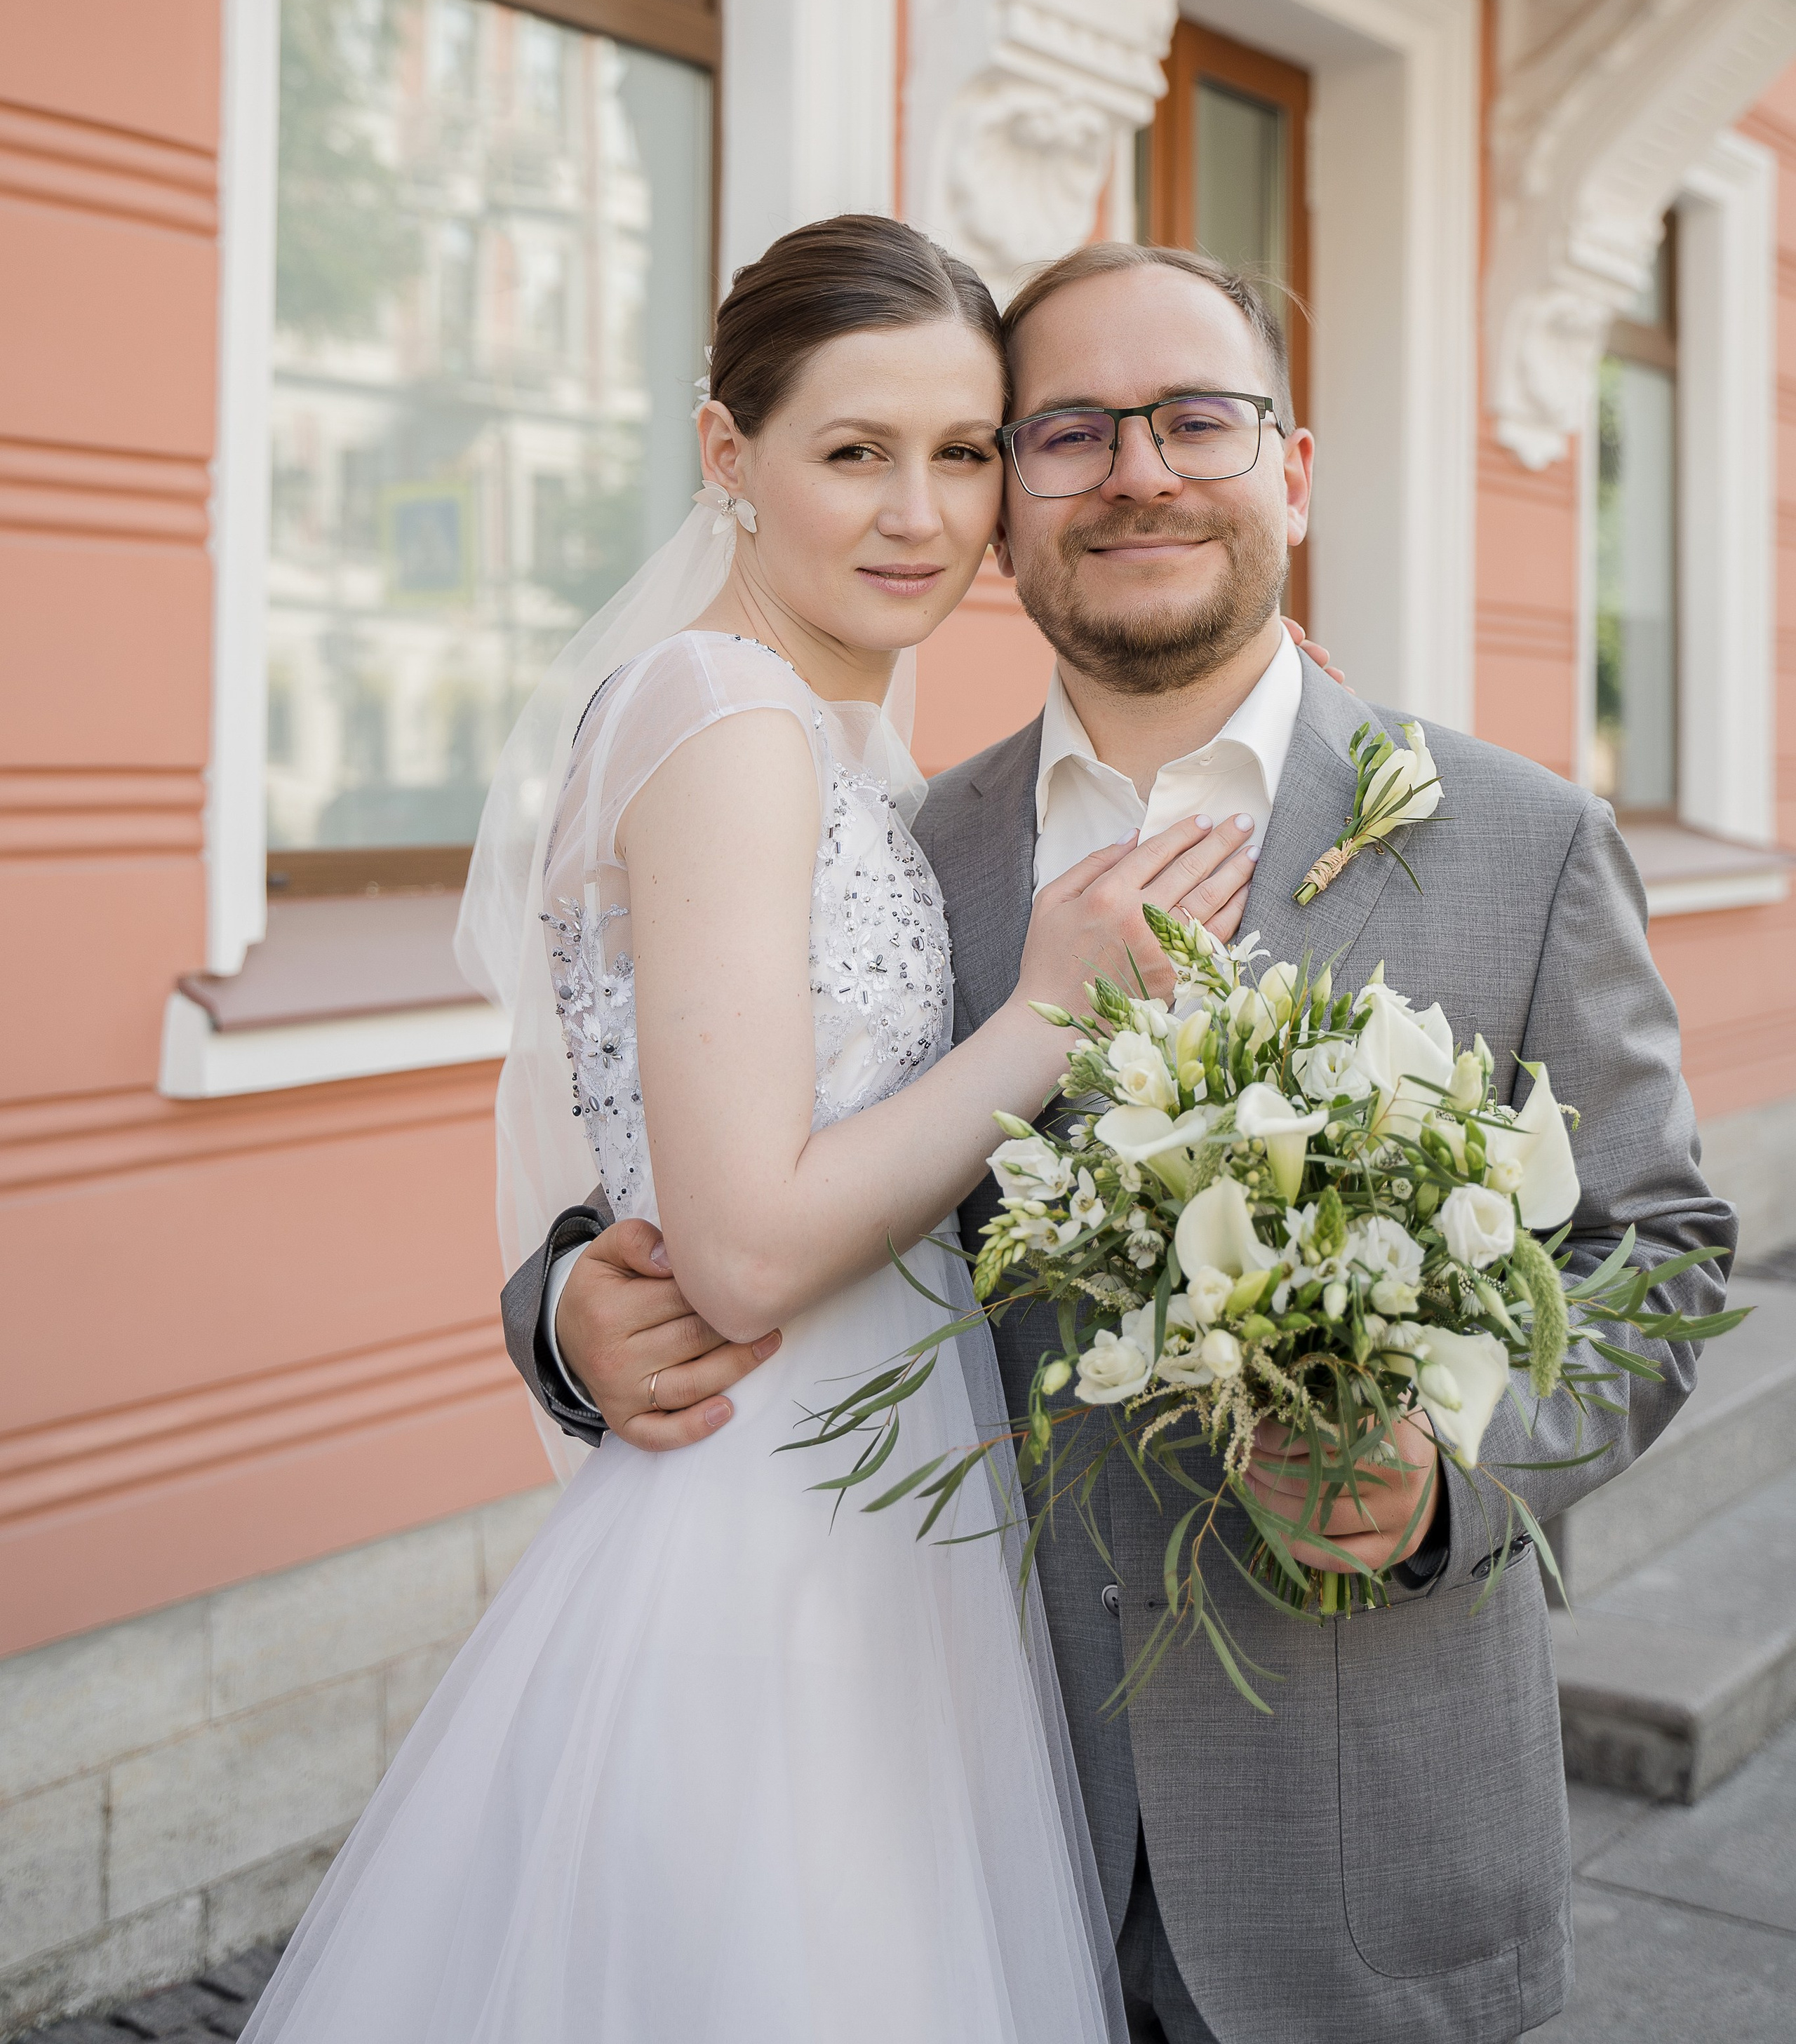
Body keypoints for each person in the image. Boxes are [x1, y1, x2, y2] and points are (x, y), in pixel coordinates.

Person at [513, 240, 1736, 2044]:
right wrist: (563, 1318)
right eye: (1069, 431)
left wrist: (1443, 1478)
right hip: (957, 1838)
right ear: (1006, 509)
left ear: (1291, 470)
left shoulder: (1514, 836)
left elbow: (1655, 1252)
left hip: (1355, 1866)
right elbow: (710, 1167)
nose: (1140, 468)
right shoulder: (902, 853)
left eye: (1196, 418)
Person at [248, 217, 1301, 2044]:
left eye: (965, 452)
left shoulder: (860, 759)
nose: (920, 513)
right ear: (729, 455)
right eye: (853, 451)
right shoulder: (722, 716)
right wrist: (1058, 1002)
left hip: (893, 1499)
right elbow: (733, 1246)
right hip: (779, 1504)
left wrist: (583, 1282)